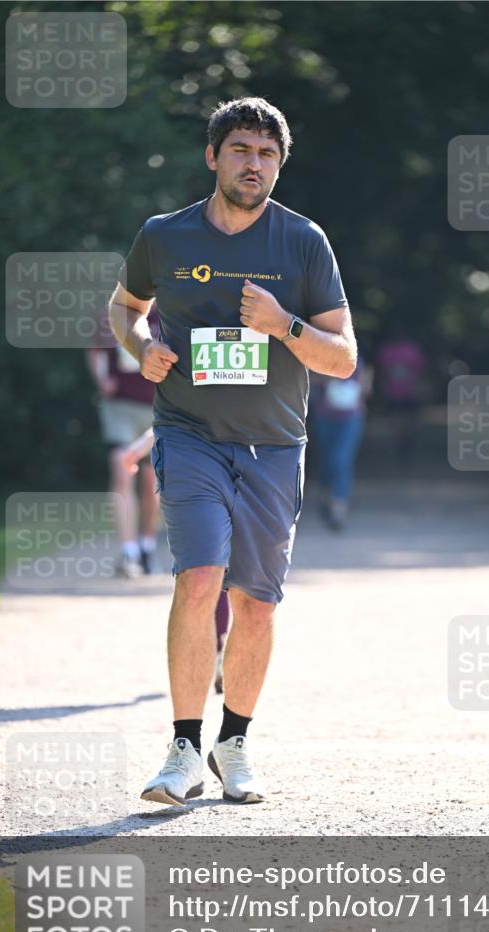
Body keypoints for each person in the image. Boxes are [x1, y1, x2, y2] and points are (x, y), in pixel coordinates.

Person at [108, 97, 357, 805]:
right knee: (199, 578)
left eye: (267, 154)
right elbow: (123, 308)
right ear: (212, 156)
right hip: (189, 434)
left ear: (280, 164)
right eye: (242, 150)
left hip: (275, 445)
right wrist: (143, 346)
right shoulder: (165, 235)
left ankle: (233, 742)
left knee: (256, 604)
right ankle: (183, 747)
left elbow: (341, 359)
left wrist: (285, 326)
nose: (255, 164)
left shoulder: (303, 241)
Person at [121, 427, 231, 694]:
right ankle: (211, 652)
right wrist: (141, 447)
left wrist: (140, 447)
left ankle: (216, 650)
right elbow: (171, 412)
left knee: (220, 575)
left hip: (235, 474)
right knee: (209, 573)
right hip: (199, 483)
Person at [86, 306, 161, 577]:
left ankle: (146, 546)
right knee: (121, 469)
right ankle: (128, 552)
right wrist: (102, 379)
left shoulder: (170, 310)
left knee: (152, 479)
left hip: (158, 406)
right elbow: (96, 352)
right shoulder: (111, 313)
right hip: (120, 407)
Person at [309, 358, 372, 530]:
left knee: (341, 460)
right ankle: (324, 496)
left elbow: (366, 386)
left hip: (350, 418)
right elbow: (308, 377)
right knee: (326, 460)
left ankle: (339, 508)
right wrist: (329, 378)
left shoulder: (359, 357)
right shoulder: (318, 348)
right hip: (324, 416)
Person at [376, 334, 425, 457]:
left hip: (408, 392)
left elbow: (419, 370)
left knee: (407, 422)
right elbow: (382, 372)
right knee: (396, 422)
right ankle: (399, 445)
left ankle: (406, 444)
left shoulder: (411, 349)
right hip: (393, 392)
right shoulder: (386, 350)